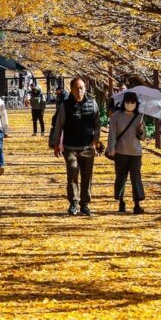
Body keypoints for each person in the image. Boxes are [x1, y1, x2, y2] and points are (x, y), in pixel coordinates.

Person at [49, 76, 101, 217]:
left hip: (87, 147)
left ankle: (85, 204)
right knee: (72, 171)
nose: (80, 91)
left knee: (86, 176)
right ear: (71, 90)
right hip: (70, 146)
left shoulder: (93, 104)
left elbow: (97, 124)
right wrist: (55, 145)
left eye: (82, 88)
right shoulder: (65, 106)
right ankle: (73, 202)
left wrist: (95, 141)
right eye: (76, 88)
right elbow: (59, 125)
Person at [106, 90, 146, 214]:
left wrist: (140, 131)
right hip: (120, 152)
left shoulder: (139, 117)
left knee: (136, 178)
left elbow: (143, 137)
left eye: (132, 102)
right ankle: (121, 201)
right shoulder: (116, 116)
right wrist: (111, 148)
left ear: (136, 103)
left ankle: (137, 204)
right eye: (127, 102)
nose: (130, 104)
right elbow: (112, 134)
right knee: (120, 178)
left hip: (135, 153)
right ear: (123, 102)